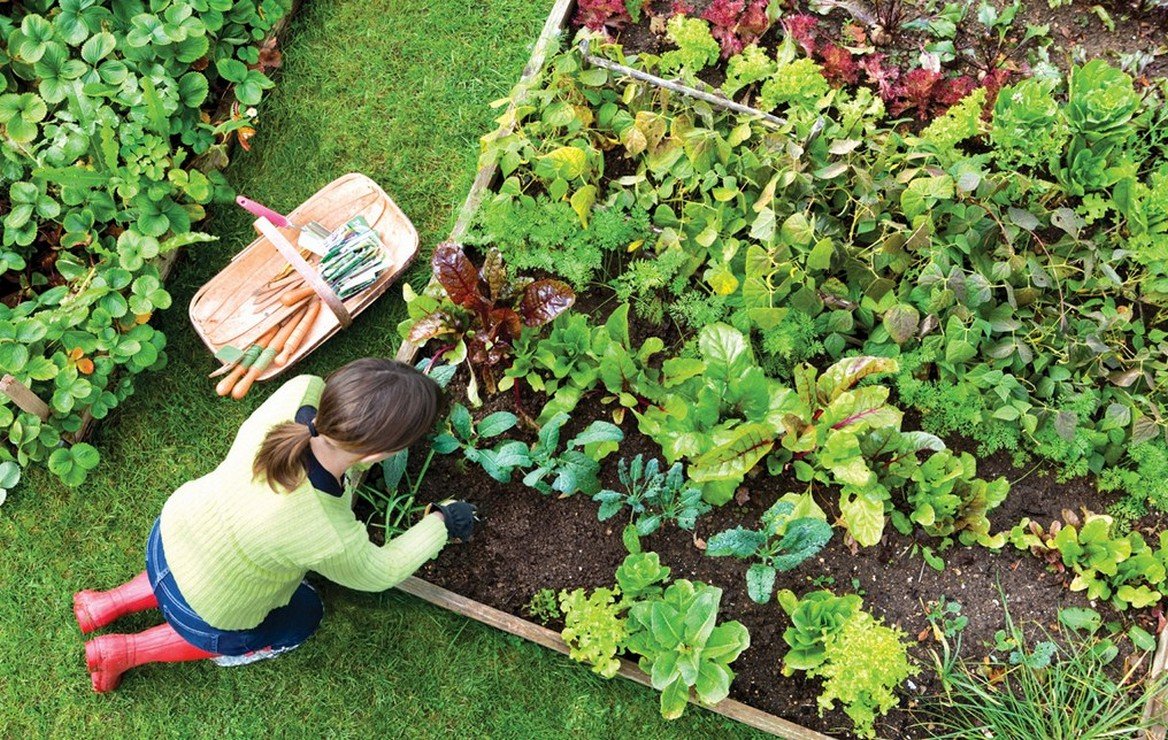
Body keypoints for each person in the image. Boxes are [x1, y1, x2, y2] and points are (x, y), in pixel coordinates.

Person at [72, 358, 476, 692]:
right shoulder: (326, 530)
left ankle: (104, 604)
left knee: (195, 567)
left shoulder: (299, 393)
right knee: (304, 616)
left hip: (172, 533)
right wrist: (442, 521)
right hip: (208, 610)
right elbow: (379, 571)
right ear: (380, 454)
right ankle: (125, 651)